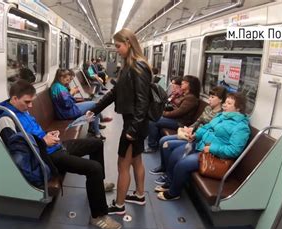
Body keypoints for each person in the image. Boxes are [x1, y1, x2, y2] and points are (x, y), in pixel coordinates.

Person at [0, 80, 121, 229]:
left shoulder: (22, 111)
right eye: (27, 102)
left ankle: (98, 186)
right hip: (46, 157)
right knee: (93, 168)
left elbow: (33, 134)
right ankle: (98, 216)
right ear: (14, 99)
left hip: (54, 146)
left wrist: (47, 136)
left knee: (96, 143)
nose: (30, 106)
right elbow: (17, 151)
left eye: (31, 102)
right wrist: (43, 142)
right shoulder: (6, 119)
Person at [90, 28, 152, 215]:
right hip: (135, 123)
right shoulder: (128, 66)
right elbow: (115, 92)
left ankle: (119, 206)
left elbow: (143, 101)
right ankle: (140, 195)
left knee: (122, 165)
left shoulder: (138, 67)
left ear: (128, 44)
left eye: (118, 46)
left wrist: (132, 129)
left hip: (134, 123)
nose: (116, 49)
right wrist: (95, 109)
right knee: (136, 161)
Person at [155, 92, 250, 200]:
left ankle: (173, 193)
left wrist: (212, 149)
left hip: (214, 156)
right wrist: (195, 136)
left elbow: (234, 150)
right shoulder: (221, 116)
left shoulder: (241, 127)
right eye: (226, 102)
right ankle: (170, 182)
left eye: (229, 103)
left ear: (238, 109)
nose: (225, 105)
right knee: (175, 154)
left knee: (183, 163)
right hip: (201, 146)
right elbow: (206, 127)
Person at [150, 86, 227, 185]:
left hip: (199, 139)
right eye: (209, 96)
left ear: (220, 100)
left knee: (168, 145)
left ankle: (168, 176)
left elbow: (210, 131)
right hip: (193, 134)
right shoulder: (208, 108)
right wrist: (190, 128)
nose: (209, 99)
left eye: (212, 97)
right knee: (163, 140)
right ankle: (163, 168)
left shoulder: (220, 116)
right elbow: (198, 121)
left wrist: (195, 134)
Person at [144, 75, 201, 153]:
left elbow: (179, 112)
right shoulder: (186, 95)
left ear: (190, 85)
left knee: (154, 120)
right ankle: (155, 142)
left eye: (184, 82)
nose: (182, 83)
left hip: (181, 123)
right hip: (177, 119)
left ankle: (152, 146)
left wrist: (163, 113)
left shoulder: (191, 98)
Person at [49, 69, 107, 140]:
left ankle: (94, 128)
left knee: (94, 105)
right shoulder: (58, 88)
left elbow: (65, 101)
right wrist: (71, 93)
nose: (68, 82)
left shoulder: (57, 86)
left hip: (65, 110)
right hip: (67, 112)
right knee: (95, 105)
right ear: (61, 78)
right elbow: (67, 104)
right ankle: (96, 133)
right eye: (67, 80)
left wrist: (71, 94)